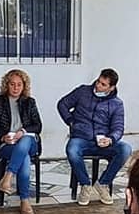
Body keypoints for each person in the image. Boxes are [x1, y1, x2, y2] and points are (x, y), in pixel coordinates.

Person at [57, 68, 133, 206]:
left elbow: (118, 127)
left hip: (103, 142)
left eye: (103, 84)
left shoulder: (117, 103)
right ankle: (85, 185)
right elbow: (62, 104)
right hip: (81, 138)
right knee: (72, 150)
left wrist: (111, 139)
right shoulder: (82, 91)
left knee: (125, 149)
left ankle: (103, 184)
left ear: (111, 88)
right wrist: (71, 121)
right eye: (98, 81)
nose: (98, 85)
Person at [0, 69, 43, 214]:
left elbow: (38, 125)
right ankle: (24, 200)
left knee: (25, 140)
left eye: (19, 85)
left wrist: (23, 131)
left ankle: (8, 177)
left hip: (29, 142)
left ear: (24, 86)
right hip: (7, 144)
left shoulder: (30, 102)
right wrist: (3, 137)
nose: (16, 88)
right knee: (24, 158)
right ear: (6, 85)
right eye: (12, 84)